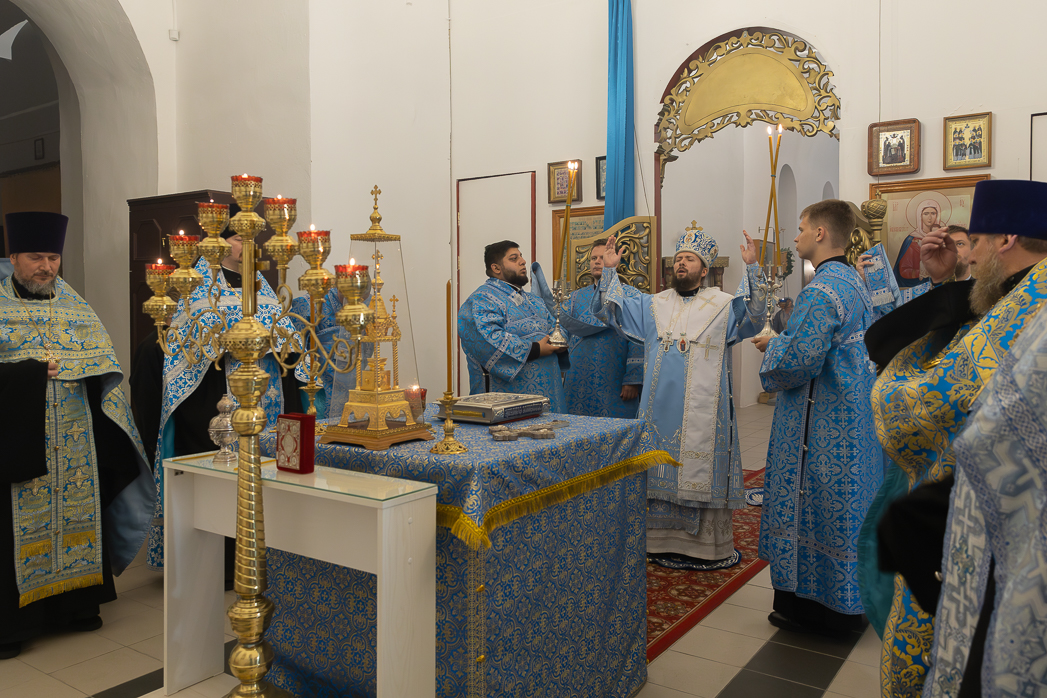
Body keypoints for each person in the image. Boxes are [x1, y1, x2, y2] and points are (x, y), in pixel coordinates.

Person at [865, 179, 1047, 697]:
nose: (972, 253)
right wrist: (945, 279)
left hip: (1002, 529)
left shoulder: (1032, 304)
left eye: (979, 242)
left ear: (1007, 239)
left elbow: (935, 396)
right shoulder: (1020, 294)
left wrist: (890, 390)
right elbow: (964, 327)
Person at [0, 212, 154, 659]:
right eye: (35, 257)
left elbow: (103, 367)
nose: (46, 266)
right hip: (18, 440)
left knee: (78, 515)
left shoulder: (74, 305)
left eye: (52, 257)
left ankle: (77, 607)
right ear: (14, 257)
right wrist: (30, 374)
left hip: (76, 440)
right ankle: (18, 624)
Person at [130, 222, 303, 571]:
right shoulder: (199, 282)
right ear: (220, 244)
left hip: (265, 394)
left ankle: (267, 556)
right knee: (217, 479)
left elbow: (288, 336)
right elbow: (187, 339)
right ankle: (216, 564)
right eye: (239, 239)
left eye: (252, 239)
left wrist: (281, 343)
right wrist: (231, 342)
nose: (247, 245)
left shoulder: (262, 286)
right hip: (214, 394)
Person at [596, 225, 765, 567]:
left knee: (699, 464)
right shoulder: (653, 304)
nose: (681, 263)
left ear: (704, 270)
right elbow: (612, 310)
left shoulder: (723, 305)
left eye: (689, 259)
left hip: (705, 412)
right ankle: (657, 542)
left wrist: (752, 268)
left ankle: (705, 547)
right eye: (678, 259)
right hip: (658, 410)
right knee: (658, 467)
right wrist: (610, 270)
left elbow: (755, 315)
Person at [751, 199, 883, 635]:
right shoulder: (855, 281)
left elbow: (799, 359)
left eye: (802, 227)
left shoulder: (821, 289)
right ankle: (849, 605)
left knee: (816, 507)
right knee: (847, 512)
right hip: (852, 417)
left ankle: (815, 612)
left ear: (821, 233)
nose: (796, 236)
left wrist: (772, 345)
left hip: (822, 420)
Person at [531, 239, 642, 418]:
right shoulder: (575, 297)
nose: (597, 262)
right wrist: (556, 342)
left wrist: (633, 379)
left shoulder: (632, 296)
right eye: (593, 258)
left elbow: (638, 338)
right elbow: (563, 327)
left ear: (615, 261)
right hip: (578, 374)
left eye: (602, 257)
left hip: (614, 374)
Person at [458, 240, 568, 412]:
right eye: (514, 258)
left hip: (549, 398)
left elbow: (557, 327)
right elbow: (488, 341)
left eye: (521, 256)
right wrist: (536, 349)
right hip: (506, 403)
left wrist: (559, 343)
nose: (523, 261)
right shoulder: (481, 300)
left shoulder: (535, 300)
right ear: (496, 268)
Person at [893, 199, 943, 288]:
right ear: (920, 216)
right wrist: (922, 272)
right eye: (926, 214)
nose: (930, 217)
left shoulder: (942, 239)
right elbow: (904, 271)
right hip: (918, 288)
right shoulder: (912, 241)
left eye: (933, 213)